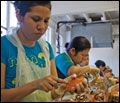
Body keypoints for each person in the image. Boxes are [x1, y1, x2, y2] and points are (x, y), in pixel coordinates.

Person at [1, 1, 88, 102]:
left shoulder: (46, 48)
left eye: (46, 21)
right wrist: (35, 85)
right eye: (36, 19)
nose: (42, 27)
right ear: (19, 15)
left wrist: (66, 86)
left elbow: (52, 93)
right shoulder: (4, 45)